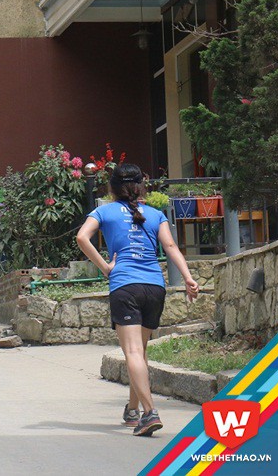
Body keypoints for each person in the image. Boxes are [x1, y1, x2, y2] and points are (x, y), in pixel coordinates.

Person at [76, 163, 199, 437]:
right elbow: (170, 247)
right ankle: (133, 410)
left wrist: (105, 267)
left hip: (126, 286)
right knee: (139, 353)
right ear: (141, 187)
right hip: (155, 287)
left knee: (131, 353)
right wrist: (188, 277)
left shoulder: (104, 211)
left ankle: (149, 412)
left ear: (111, 187)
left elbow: (82, 237)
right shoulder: (156, 214)